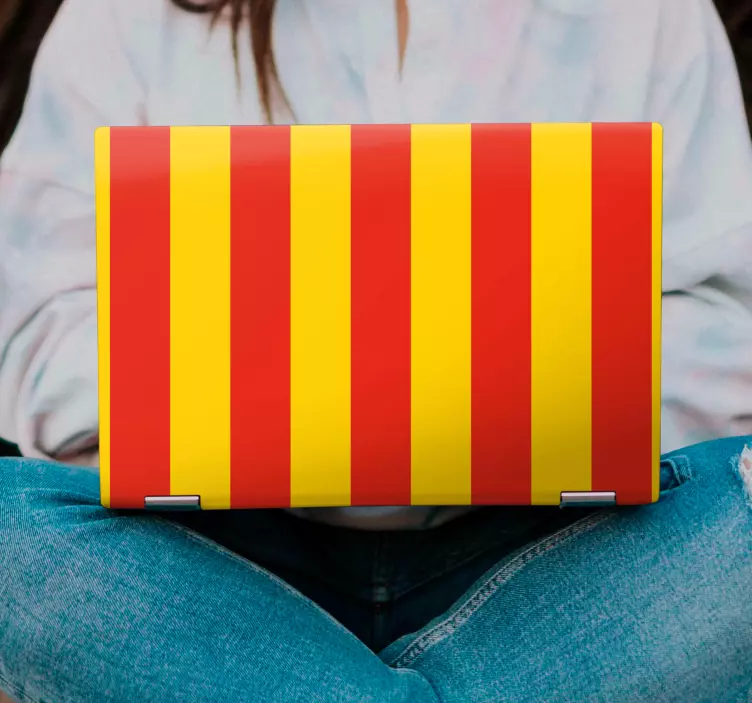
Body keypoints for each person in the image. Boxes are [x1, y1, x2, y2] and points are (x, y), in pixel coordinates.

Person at [1, 0, 752, 700]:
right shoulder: (125, 15)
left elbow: (723, 327)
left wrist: (532, 401)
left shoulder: (646, 13)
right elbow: (39, 336)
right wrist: (263, 394)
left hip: (556, 554)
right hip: (216, 560)